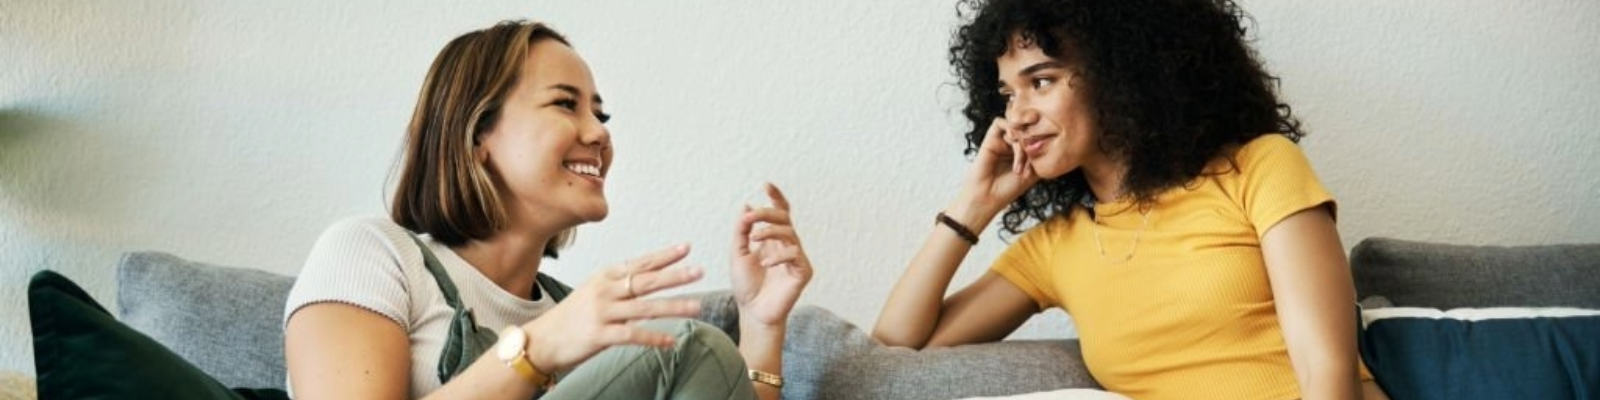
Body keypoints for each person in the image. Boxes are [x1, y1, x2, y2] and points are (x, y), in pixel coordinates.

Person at [871, 0, 1390, 399]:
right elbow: (896, 347)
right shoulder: (1055, 248)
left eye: (1042, 81)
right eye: (1008, 94)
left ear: (1122, 75)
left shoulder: (1258, 169)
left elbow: (1328, 372)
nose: (1017, 115)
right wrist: (973, 207)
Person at [283, 20, 813, 400]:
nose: (599, 132)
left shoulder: (580, 319)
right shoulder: (374, 254)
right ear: (476, 135)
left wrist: (762, 325)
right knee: (686, 346)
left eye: (600, 113)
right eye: (566, 103)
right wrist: (538, 348)